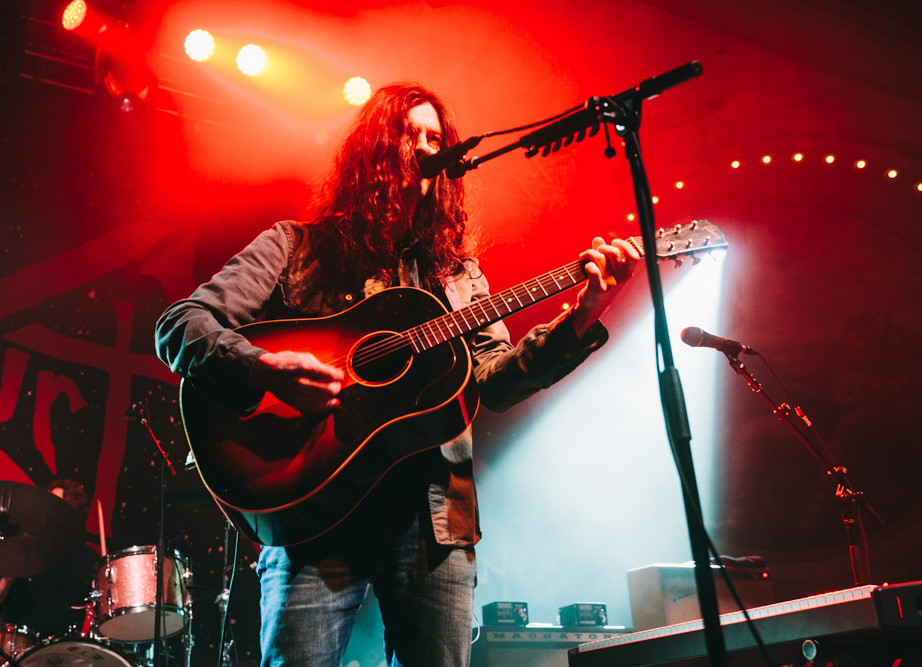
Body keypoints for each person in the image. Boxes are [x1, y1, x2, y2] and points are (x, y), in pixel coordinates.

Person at [155, 82, 640, 667]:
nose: (424, 149)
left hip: (434, 519)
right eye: (408, 136)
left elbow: (497, 383)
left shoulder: (459, 276)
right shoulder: (295, 246)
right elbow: (180, 324)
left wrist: (583, 316)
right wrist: (264, 369)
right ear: (370, 153)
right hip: (311, 513)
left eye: (435, 138)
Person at [0, 479, 100, 639]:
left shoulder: (88, 558)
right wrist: (7, 578)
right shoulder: (20, 548)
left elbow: (99, 612)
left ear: (72, 514)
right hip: (23, 649)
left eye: (55, 504)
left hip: (70, 649)